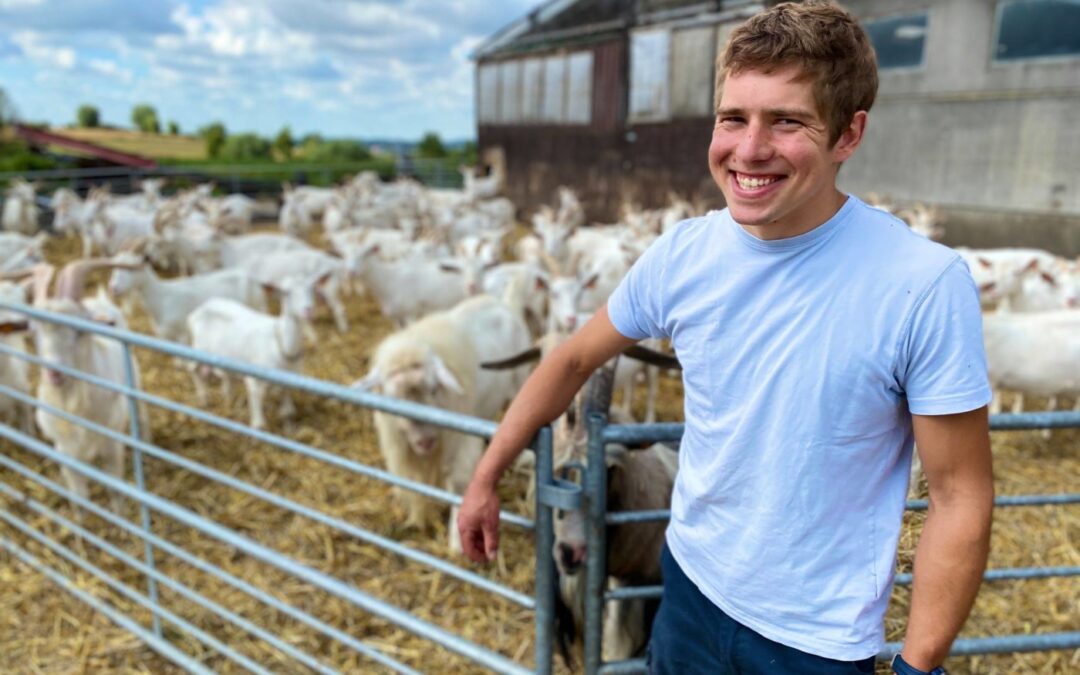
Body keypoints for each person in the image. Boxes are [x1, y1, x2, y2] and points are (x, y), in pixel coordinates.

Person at [457, 2, 994, 673]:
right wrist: (487, 474)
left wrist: (918, 665)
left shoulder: (921, 282)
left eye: (787, 121)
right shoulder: (687, 252)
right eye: (733, 117)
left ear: (849, 135)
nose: (748, 149)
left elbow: (959, 493)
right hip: (689, 590)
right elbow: (570, 358)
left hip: (814, 641)